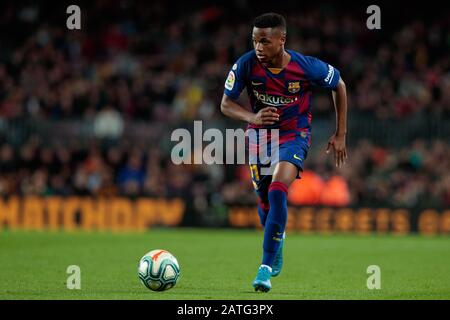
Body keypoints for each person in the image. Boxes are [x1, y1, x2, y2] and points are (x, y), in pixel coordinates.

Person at [220, 12, 348, 292]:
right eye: (255, 41)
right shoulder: (245, 65)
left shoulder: (305, 67)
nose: (258, 48)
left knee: (279, 189)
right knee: (265, 203)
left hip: (294, 135)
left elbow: (339, 85)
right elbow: (226, 104)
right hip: (259, 137)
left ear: (281, 40)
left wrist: (340, 134)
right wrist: (251, 118)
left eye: (264, 42)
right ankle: (277, 239)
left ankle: (264, 268)